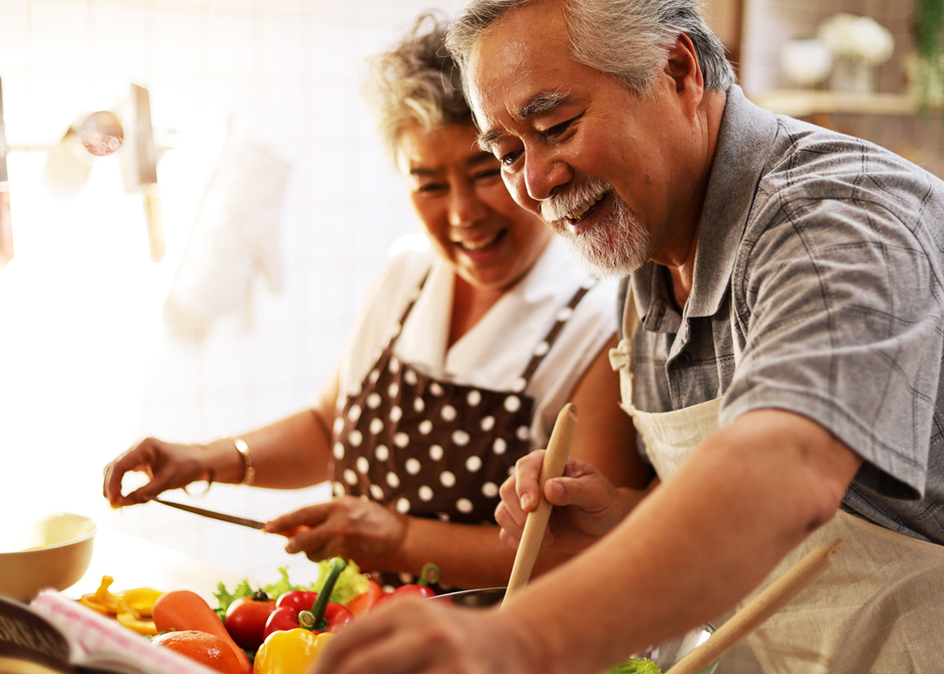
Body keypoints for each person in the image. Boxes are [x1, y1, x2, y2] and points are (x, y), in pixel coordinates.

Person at [309, 1, 944, 673]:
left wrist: (520, 636)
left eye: (556, 126)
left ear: (677, 70)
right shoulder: (645, 250)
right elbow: (724, 512)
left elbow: (785, 469)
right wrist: (618, 520)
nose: (533, 181)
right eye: (507, 153)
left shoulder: (834, 218)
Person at [102, 12, 645, 593]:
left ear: (522, 160)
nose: (462, 214)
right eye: (429, 184)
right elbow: (326, 428)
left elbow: (586, 553)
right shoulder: (408, 274)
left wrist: (398, 541)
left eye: (485, 172)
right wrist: (207, 460)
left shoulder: (596, 324)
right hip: (356, 628)